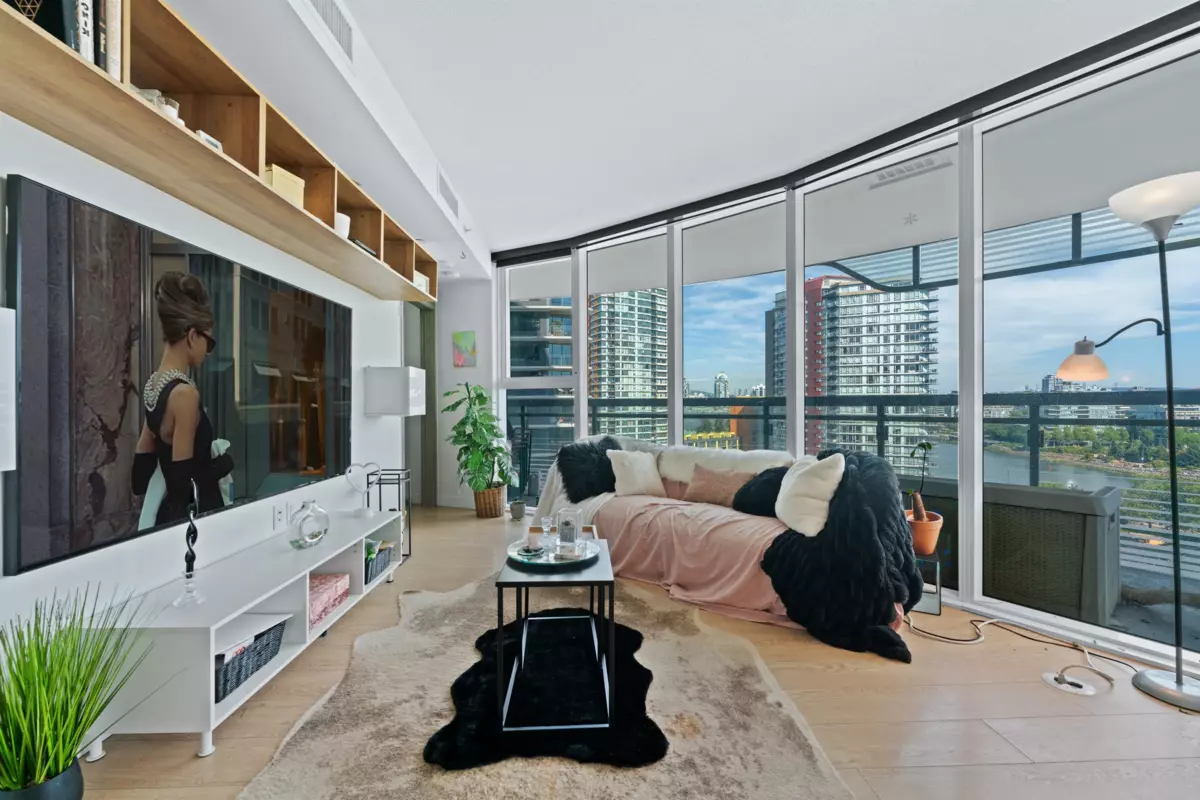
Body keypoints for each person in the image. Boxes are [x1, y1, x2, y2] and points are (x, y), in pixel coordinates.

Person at [132, 272, 233, 527]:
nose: (208, 352)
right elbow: (182, 485)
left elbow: (139, 477)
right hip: (196, 520)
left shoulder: (153, 386)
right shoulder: (185, 395)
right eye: (208, 343)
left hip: (167, 519)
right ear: (192, 336)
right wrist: (221, 465)